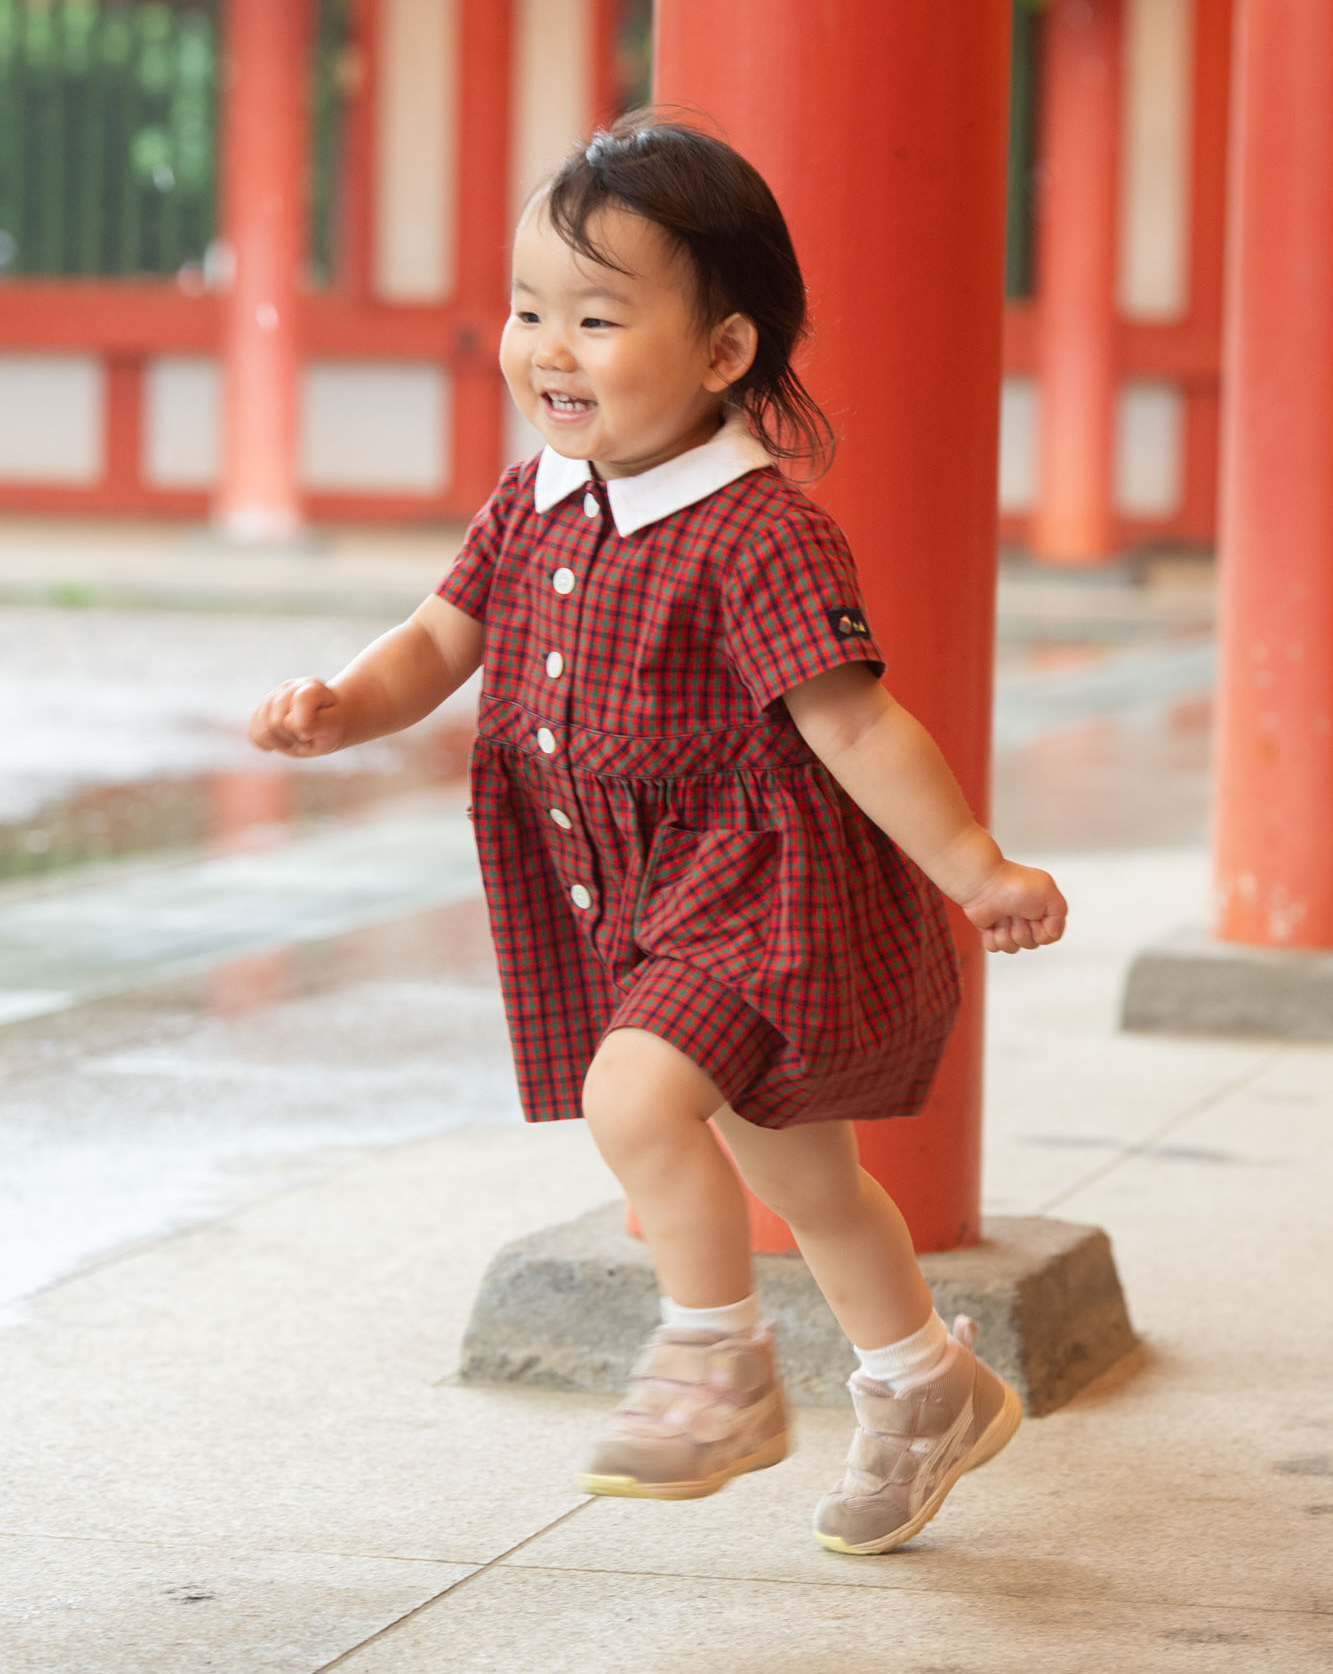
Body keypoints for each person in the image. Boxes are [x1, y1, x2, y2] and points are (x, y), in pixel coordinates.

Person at [248, 113, 1067, 1556]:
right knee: (804, 1175)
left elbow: (856, 724)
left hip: (754, 886)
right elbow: (441, 641)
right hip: (628, 889)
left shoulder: (758, 531)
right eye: (527, 311)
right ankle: (924, 1383)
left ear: (721, 353)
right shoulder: (531, 501)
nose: (548, 348)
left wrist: (975, 869)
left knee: (635, 1098)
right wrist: (343, 708)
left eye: (598, 317)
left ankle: (713, 1363)